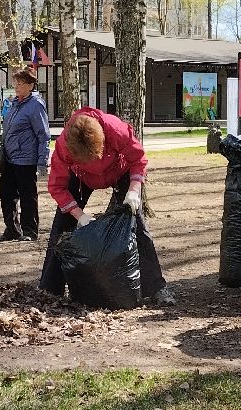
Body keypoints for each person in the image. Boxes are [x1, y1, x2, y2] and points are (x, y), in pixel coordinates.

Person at [38, 107, 174, 305]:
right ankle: (50, 289)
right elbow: (57, 187)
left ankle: (157, 287)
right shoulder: (63, 146)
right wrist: (79, 215)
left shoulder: (114, 129)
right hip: (81, 179)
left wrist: (134, 190)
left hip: (118, 171)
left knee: (138, 225)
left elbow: (138, 159)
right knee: (61, 227)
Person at [0, 66, 50, 241]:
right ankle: (12, 229)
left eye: (21, 83)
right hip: (9, 158)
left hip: (26, 159)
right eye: (15, 83)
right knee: (6, 194)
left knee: (28, 196)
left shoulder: (35, 105)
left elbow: (43, 134)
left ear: (30, 85)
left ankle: (30, 230)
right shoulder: (14, 104)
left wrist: (42, 160)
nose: (17, 86)